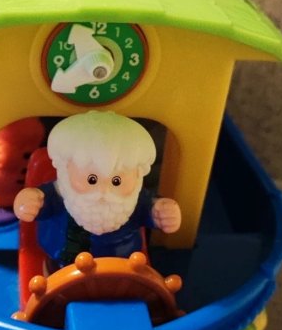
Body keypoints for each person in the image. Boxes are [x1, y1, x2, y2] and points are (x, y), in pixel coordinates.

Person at [13, 111, 181, 267]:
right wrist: (29, 201)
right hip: (62, 262)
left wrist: (161, 212)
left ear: (137, 175)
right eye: (92, 180)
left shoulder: (137, 201)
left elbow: (151, 210)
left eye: (116, 181)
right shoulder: (58, 196)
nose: (104, 191)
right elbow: (38, 204)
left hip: (123, 264)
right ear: (66, 169)